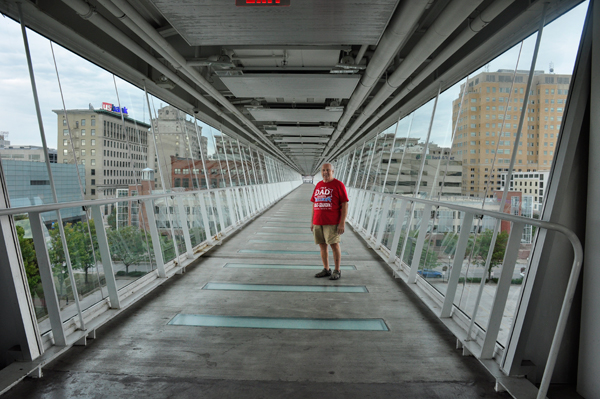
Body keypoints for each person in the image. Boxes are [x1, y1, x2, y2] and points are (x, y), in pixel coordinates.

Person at [310, 163, 349, 280]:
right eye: (323, 170)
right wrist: (312, 221)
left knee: (334, 245)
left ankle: (337, 270)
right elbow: (314, 204)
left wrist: (342, 222)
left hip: (332, 222)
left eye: (327, 170)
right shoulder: (318, 185)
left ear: (332, 171)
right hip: (318, 221)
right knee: (322, 246)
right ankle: (326, 269)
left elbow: (345, 204)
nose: (325, 172)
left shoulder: (338, 185)